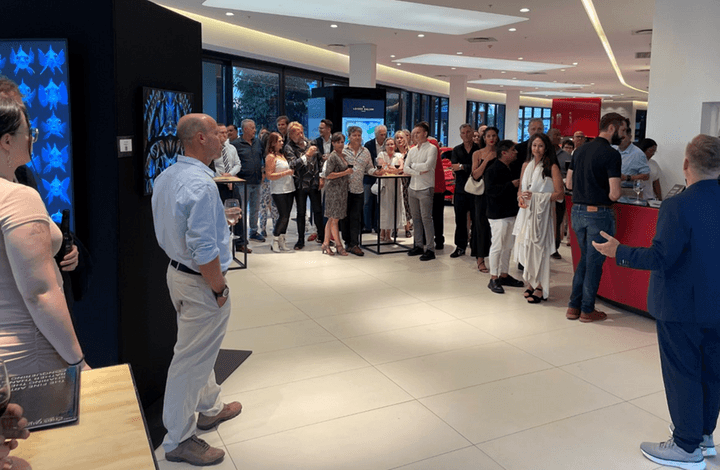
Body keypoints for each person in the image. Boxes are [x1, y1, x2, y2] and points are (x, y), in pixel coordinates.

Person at [593, 134, 720, 470]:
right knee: (712, 372)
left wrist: (619, 251)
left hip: (681, 306)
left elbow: (662, 257)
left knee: (683, 373)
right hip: (716, 305)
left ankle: (686, 447)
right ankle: (703, 436)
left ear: (686, 164)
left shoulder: (678, 205)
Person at [151, 113, 242, 466]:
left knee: (201, 349)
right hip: (200, 280)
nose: (223, 137)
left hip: (177, 273)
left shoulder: (167, 176)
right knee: (190, 361)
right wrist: (219, 289)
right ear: (201, 138)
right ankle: (178, 439)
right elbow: (204, 249)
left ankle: (210, 407)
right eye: (217, 133)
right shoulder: (201, 185)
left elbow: (177, 229)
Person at [0, 96, 89, 376]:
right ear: (7, 141)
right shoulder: (18, 197)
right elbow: (40, 293)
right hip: (28, 352)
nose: (32, 139)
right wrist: (78, 362)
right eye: (29, 132)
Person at [565, 112, 625, 322]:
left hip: (577, 212)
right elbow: (615, 194)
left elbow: (569, 184)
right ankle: (586, 309)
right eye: (622, 130)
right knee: (594, 263)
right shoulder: (612, 154)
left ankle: (573, 306)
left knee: (585, 259)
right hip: (598, 215)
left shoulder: (579, 150)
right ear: (612, 128)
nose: (623, 135)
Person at [513, 133, 565, 302]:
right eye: (534, 145)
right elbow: (521, 189)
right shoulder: (526, 165)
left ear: (546, 147)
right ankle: (530, 283)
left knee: (539, 250)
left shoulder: (552, 167)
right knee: (526, 248)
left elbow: (559, 194)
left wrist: (536, 197)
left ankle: (540, 286)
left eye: (540, 146)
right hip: (526, 213)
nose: (537, 149)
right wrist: (521, 198)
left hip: (542, 215)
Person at [484, 140, 525, 294]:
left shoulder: (512, 167)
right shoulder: (493, 169)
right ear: (504, 152)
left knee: (508, 246)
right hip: (497, 214)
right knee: (497, 246)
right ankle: (493, 277)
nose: (516, 152)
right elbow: (491, 191)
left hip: (510, 212)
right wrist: (511, 185)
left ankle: (504, 274)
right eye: (513, 150)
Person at [284, 122, 323, 250]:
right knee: (301, 212)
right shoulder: (289, 147)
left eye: (301, 132)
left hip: (314, 182)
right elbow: (292, 165)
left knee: (318, 211)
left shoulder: (311, 143)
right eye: (297, 133)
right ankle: (300, 240)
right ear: (291, 135)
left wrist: (321, 177)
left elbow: (320, 161)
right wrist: (307, 155)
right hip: (300, 184)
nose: (301, 135)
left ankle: (322, 237)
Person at [213, 123, 249, 253]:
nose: (225, 135)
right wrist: (222, 177)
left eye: (225, 132)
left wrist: (230, 175)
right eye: (221, 132)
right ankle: (222, 242)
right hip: (218, 184)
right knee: (221, 212)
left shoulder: (231, 148)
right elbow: (211, 166)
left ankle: (240, 243)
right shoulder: (212, 148)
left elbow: (238, 164)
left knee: (237, 211)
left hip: (232, 182)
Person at [404, 121, 437, 261]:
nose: (415, 135)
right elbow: (405, 168)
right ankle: (418, 245)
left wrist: (413, 166)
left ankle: (430, 248)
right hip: (413, 187)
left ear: (425, 133)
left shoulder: (432, 148)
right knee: (416, 218)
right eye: (414, 133)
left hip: (425, 187)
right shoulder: (412, 150)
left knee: (426, 218)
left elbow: (428, 166)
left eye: (418, 133)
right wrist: (417, 171)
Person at [341, 126, 375, 256]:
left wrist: (376, 171)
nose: (357, 137)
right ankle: (347, 243)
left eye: (359, 135)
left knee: (356, 217)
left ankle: (354, 244)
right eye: (354, 135)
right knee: (344, 217)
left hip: (358, 189)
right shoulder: (343, 150)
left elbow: (369, 168)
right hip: (344, 189)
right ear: (349, 137)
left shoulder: (365, 151)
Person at [469, 126, 498, 273]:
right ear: (484, 138)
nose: (491, 138)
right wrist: (486, 160)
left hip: (497, 194)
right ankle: (480, 258)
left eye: (494, 136)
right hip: (481, 194)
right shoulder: (477, 154)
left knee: (496, 229)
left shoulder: (501, 152)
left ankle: (495, 258)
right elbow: (475, 175)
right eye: (488, 136)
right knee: (481, 226)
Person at [450, 124, 480, 259]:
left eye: (468, 132)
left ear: (473, 133)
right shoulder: (457, 150)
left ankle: (476, 246)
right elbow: (454, 167)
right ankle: (460, 246)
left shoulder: (479, 149)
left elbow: (478, 169)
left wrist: (462, 166)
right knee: (460, 220)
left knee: (476, 220)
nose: (466, 135)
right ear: (460, 135)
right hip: (461, 190)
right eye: (463, 132)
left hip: (476, 190)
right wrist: (468, 168)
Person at [233, 119, 265, 243]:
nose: (255, 130)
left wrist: (263, 172)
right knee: (241, 209)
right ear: (245, 129)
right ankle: (241, 234)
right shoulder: (236, 144)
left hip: (257, 181)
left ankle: (253, 231)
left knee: (255, 208)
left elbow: (262, 158)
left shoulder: (258, 142)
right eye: (252, 128)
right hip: (242, 182)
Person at [321, 132, 352, 256]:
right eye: (338, 142)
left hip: (341, 190)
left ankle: (325, 243)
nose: (340, 144)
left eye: (342, 142)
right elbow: (328, 175)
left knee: (331, 218)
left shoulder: (342, 155)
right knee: (334, 219)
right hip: (334, 190)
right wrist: (345, 173)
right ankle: (339, 245)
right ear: (333, 143)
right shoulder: (333, 156)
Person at [265, 132, 294, 252]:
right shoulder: (270, 157)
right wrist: (285, 173)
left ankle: (282, 239)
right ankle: (275, 239)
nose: (282, 143)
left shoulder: (282, 155)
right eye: (279, 141)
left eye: (282, 140)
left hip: (290, 188)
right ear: (273, 143)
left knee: (287, 216)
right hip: (278, 190)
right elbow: (269, 175)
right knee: (283, 215)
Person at [548, 128, 572, 259]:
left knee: (558, 220)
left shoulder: (566, 155)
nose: (558, 137)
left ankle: (555, 247)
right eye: (555, 134)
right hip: (546, 191)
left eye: (559, 134)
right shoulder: (544, 153)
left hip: (561, 191)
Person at [375, 136, 404, 242]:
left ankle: (389, 233)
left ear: (395, 146)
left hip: (396, 184)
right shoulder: (381, 154)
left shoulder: (399, 155)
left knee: (393, 208)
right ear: (385, 146)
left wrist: (391, 169)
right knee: (384, 208)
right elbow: (382, 167)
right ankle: (382, 232)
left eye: (392, 144)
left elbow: (401, 168)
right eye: (388, 144)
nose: (390, 146)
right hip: (385, 184)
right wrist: (393, 170)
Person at [363, 125, 387, 233]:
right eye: (381, 134)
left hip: (382, 177)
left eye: (384, 134)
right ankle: (367, 226)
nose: (383, 136)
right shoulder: (368, 145)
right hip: (369, 176)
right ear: (376, 135)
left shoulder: (387, 144)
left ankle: (378, 226)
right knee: (367, 202)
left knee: (380, 202)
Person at [616, 120, 650, 193]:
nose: (620, 141)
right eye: (618, 138)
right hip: (610, 189)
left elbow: (646, 176)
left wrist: (627, 177)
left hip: (628, 191)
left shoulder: (638, 154)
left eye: (623, 138)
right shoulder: (613, 149)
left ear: (630, 137)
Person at [394, 130, 413, 238]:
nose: (399, 140)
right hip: (395, 181)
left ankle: (407, 228)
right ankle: (395, 228)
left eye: (401, 138)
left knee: (406, 205)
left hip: (408, 181)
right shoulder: (392, 152)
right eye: (397, 138)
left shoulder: (410, 152)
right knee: (396, 204)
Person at [430, 137, 446, 250]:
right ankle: (438, 239)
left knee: (433, 215)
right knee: (437, 216)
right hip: (437, 186)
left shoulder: (431, 144)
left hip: (435, 186)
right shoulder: (433, 144)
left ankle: (436, 239)